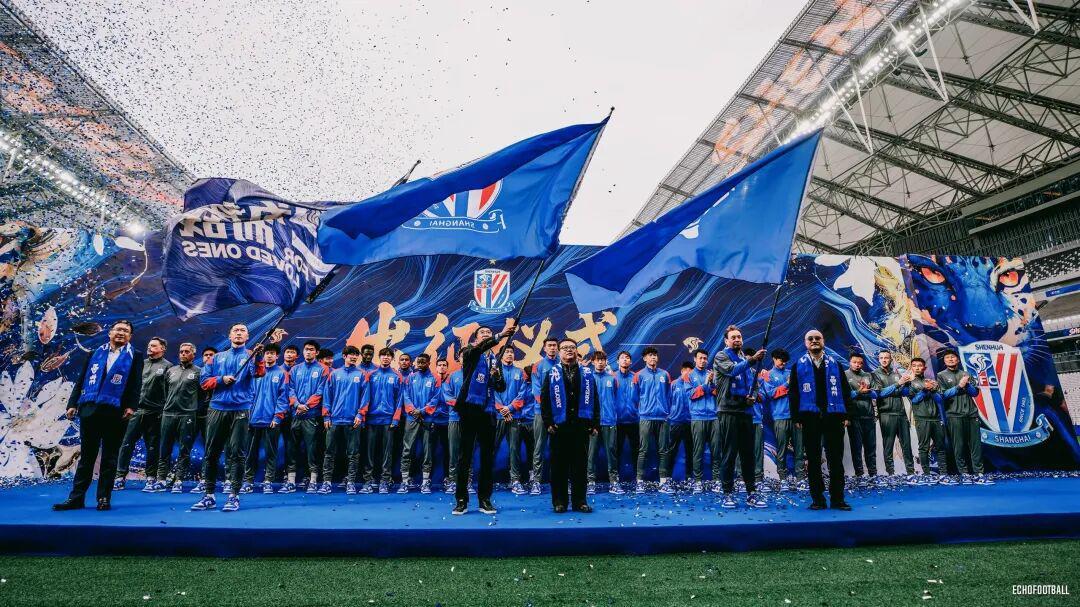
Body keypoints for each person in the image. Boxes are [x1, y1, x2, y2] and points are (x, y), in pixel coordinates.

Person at [53, 320, 144, 511]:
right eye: (118, 329)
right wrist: (72, 404)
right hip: (90, 410)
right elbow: (81, 380)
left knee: (110, 458)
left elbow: (136, 384)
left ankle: (103, 498)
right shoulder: (95, 353)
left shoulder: (135, 356)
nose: (121, 333)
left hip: (116, 412)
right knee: (87, 458)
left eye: (126, 331)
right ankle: (76, 498)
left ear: (130, 336)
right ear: (110, 333)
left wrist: (131, 406)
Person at [191, 324, 260, 512]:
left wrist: (259, 356)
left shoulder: (251, 356)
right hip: (217, 408)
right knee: (211, 453)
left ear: (247, 336)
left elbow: (258, 372)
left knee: (237, 453)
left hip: (241, 409)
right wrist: (222, 380)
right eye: (235, 330)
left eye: (242, 330)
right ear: (229, 335)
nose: (239, 332)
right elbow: (204, 382)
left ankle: (234, 496)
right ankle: (209, 495)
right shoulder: (216, 358)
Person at [452, 321, 515, 515]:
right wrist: (500, 335)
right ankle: (461, 500)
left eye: (489, 332)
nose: (486, 334)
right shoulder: (469, 352)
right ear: (476, 338)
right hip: (469, 410)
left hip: (488, 412)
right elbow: (479, 348)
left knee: (487, 457)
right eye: (483, 332)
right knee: (465, 457)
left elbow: (501, 387)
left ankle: (485, 499)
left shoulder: (495, 360)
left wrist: (496, 376)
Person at [789, 329, 854, 511]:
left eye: (818, 338)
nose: (814, 341)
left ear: (823, 341)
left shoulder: (835, 364)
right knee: (813, 460)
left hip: (833, 417)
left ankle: (838, 499)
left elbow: (845, 390)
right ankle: (817, 499)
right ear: (805, 343)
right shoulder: (798, 366)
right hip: (810, 418)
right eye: (810, 338)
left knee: (836, 459)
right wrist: (796, 417)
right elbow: (793, 393)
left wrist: (847, 414)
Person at [540, 338, 600, 513]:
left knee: (580, 466)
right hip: (559, 427)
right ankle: (559, 501)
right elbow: (544, 400)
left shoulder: (587, 374)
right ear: (559, 352)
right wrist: (548, 422)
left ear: (576, 351)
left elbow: (595, 400)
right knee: (558, 466)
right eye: (565, 348)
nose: (569, 350)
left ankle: (580, 501)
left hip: (581, 426)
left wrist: (595, 424)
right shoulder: (552, 373)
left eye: (572, 347)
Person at [713, 325, 767, 508]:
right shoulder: (721, 356)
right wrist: (753, 359)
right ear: (726, 341)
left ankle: (751, 493)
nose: (737, 340)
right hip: (728, 411)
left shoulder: (745, 358)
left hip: (746, 412)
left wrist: (753, 396)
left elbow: (754, 383)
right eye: (733, 337)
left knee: (748, 455)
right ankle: (727, 493)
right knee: (729, 454)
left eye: (739, 337)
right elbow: (732, 370)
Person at [115, 336, 172, 492]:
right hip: (136, 411)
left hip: (155, 413)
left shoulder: (168, 367)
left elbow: (170, 392)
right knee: (126, 444)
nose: (149, 348)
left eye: (153, 345)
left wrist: (163, 410)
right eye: (149, 345)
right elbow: (130, 386)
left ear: (162, 349)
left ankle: (151, 477)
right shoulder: (140, 364)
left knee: (153, 447)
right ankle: (120, 477)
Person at [241, 344, 291, 493]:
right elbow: (247, 394)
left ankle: (268, 481)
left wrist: (277, 417)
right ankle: (248, 481)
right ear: (263, 355)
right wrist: (247, 415)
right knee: (250, 453)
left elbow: (283, 398)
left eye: (272, 353)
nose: (269, 355)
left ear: (277, 356)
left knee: (271, 453)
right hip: (253, 419)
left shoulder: (282, 374)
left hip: (271, 421)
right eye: (267, 353)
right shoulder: (255, 373)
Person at [936, 349, 991, 484]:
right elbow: (942, 395)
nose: (950, 359)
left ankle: (979, 473)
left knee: (976, 446)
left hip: (971, 414)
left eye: (953, 357)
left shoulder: (966, 374)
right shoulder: (941, 375)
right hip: (954, 415)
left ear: (958, 360)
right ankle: (964, 473)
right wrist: (959, 386)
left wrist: (967, 385)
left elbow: (974, 393)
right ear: (944, 361)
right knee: (958, 446)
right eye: (947, 358)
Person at [319, 346, 364, 494]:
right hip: (334, 420)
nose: (354, 357)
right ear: (344, 356)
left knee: (353, 453)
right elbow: (327, 396)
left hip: (353, 421)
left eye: (356, 355)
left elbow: (365, 397)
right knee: (329, 452)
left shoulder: (362, 375)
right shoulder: (334, 374)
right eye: (351, 354)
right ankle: (326, 482)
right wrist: (326, 415)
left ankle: (350, 482)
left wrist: (360, 415)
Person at [159, 342, 202, 493]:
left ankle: (178, 480)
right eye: (181, 351)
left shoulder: (198, 372)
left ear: (193, 354)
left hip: (187, 414)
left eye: (186, 351)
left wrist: (191, 407)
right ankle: (161, 479)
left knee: (184, 449)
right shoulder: (171, 371)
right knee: (165, 447)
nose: (183, 354)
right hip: (168, 413)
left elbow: (202, 394)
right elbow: (166, 391)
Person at [361, 347, 404, 493]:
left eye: (388, 355)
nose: (386, 357)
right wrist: (363, 416)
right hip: (371, 420)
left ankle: (385, 481)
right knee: (369, 452)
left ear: (392, 358)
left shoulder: (397, 376)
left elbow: (399, 400)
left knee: (387, 453)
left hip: (388, 420)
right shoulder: (371, 375)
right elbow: (365, 397)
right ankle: (368, 481)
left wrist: (395, 419)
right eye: (383, 355)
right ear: (379, 358)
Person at [288, 340, 329, 494]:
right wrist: (296, 404)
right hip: (296, 415)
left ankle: (313, 480)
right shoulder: (295, 369)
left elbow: (321, 391)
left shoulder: (323, 369)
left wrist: (306, 406)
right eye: (306, 349)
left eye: (311, 349)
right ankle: (291, 481)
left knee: (312, 450)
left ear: (317, 353)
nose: (308, 352)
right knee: (292, 449)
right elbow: (290, 389)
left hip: (312, 416)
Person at [401, 353, 442, 493]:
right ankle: (405, 481)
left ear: (429, 363)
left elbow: (436, 399)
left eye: (423, 362)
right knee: (407, 449)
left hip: (427, 419)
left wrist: (423, 411)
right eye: (418, 362)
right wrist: (413, 410)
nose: (420, 364)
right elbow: (405, 395)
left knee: (427, 451)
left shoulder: (435, 378)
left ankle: (425, 482)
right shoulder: (410, 378)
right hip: (411, 418)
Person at [760, 349, 802, 489]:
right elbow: (771, 394)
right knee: (782, 449)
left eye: (785, 361)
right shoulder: (769, 375)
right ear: (774, 359)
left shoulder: (791, 373)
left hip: (795, 417)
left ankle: (800, 477)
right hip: (779, 417)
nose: (783, 363)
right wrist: (787, 385)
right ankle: (782, 478)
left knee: (799, 449)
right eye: (781, 360)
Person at [493, 348, 531, 495]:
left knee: (514, 449)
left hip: (514, 416)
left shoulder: (520, 372)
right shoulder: (495, 372)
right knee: (491, 447)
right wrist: (501, 409)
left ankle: (515, 480)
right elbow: (492, 392)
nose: (509, 354)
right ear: (501, 356)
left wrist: (509, 408)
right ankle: (486, 479)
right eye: (506, 352)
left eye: (511, 352)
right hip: (497, 417)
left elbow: (522, 394)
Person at [873, 350, 916, 479]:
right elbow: (880, 393)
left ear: (891, 359)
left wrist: (908, 383)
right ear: (878, 359)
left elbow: (904, 392)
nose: (884, 360)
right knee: (888, 445)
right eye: (881, 358)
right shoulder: (875, 374)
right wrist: (898, 384)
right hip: (886, 414)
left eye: (886, 357)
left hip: (901, 413)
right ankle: (890, 473)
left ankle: (911, 472)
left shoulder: (897, 373)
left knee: (906, 444)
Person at [634, 346, 672, 494]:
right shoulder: (639, 375)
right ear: (645, 358)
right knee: (643, 450)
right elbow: (634, 397)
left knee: (663, 450)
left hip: (662, 417)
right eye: (650, 355)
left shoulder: (665, 374)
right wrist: (643, 410)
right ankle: (639, 482)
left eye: (655, 355)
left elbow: (669, 395)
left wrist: (665, 411)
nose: (653, 357)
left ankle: (663, 482)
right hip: (646, 417)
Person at [909, 357, 947, 484]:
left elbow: (940, 399)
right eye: (914, 365)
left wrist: (933, 389)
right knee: (924, 447)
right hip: (922, 419)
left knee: (940, 447)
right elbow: (914, 400)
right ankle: (926, 474)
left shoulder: (932, 382)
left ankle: (944, 474)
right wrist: (925, 390)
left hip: (936, 419)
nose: (917, 368)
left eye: (920, 365)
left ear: (924, 368)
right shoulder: (910, 383)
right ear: (911, 368)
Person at [528, 337, 560, 495]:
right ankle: (536, 482)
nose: (552, 348)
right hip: (541, 413)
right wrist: (549, 408)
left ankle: (561, 481)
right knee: (539, 447)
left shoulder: (563, 364)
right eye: (550, 346)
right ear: (544, 348)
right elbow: (536, 391)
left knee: (560, 448)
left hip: (560, 414)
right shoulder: (538, 366)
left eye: (554, 345)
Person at [661, 362, 696, 493]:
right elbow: (667, 400)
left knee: (690, 452)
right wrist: (670, 415)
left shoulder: (693, 384)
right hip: (675, 422)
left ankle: (689, 478)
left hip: (690, 422)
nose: (688, 374)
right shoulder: (674, 384)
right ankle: (668, 478)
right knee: (671, 452)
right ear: (682, 371)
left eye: (691, 372)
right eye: (686, 371)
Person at [587, 351, 618, 495]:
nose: (600, 362)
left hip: (609, 420)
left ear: (606, 362)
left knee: (611, 452)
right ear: (593, 362)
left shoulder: (612, 379)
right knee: (591, 453)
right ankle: (590, 482)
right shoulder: (588, 379)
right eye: (597, 360)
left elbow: (616, 398)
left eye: (603, 360)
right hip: (592, 423)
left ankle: (614, 482)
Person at [687, 349, 717, 494]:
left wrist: (712, 383)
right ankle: (698, 481)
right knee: (698, 451)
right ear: (695, 359)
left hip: (714, 417)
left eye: (705, 358)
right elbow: (691, 395)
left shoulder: (712, 374)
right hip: (698, 417)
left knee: (716, 451)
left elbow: (718, 393)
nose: (703, 361)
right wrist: (705, 384)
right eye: (700, 358)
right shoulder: (689, 376)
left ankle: (717, 481)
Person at [845, 351, 878, 483]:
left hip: (869, 416)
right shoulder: (845, 375)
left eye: (860, 363)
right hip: (854, 417)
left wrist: (868, 392)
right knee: (856, 448)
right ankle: (859, 474)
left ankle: (873, 474)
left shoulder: (868, 375)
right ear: (850, 362)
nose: (857, 365)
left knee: (871, 447)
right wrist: (858, 392)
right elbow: (845, 396)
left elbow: (876, 394)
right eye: (855, 362)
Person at [609, 351, 639, 494]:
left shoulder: (636, 377)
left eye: (627, 358)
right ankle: (615, 481)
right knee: (616, 452)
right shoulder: (612, 377)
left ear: (631, 361)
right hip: (618, 421)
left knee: (637, 452)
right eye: (622, 358)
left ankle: (638, 480)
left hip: (634, 420)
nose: (625, 360)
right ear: (617, 361)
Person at [192, 346, 217, 493]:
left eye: (211, 355)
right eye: (206, 355)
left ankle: (205, 480)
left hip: (214, 414)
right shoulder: (197, 373)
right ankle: (177, 478)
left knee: (211, 448)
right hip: (195, 415)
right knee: (186, 446)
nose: (208, 357)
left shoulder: (221, 374)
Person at [428, 357, 452, 488]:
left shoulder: (451, 381)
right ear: (436, 367)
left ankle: (447, 478)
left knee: (447, 452)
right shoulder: (431, 381)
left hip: (447, 422)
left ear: (447, 367)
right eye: (439, 365)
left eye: (444, 365)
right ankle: (427, 479)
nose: (442, 367)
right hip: (432, 421)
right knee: (429, 452)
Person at [442, 361, 465, 495]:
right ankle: (453, 481)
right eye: (463, 356)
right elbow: (447, 396)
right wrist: (462, 406)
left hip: (471, 419)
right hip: (455, 417)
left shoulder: (477, 376)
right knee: (453, 451)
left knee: (468, 451)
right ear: (459, 359)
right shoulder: (452, 376)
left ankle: (467, 481)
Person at [279, 344, 300, 485]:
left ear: (297, 356)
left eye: (292, 352)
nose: (289, 354)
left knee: (292, 446)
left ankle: (290, 474)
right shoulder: (277, 370)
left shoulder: (299, 371)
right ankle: (270, 476)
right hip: (277, 414)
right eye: (287, 352)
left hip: (294, 414)